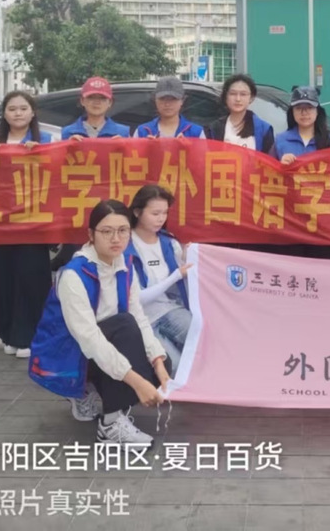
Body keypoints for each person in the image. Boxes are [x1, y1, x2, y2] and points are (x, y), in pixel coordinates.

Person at [29, 199, 169, 444]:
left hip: (105, 344)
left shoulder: (125, 265)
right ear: (91, 235)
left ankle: (88, 391)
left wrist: (158, 363)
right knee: (124, 329)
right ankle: (110, 424)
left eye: (123, 230)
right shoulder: (74, 275)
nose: (116, 238)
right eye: (106, 231)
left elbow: (139, 317)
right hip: (69, 353)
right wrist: (137, 382)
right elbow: (90, 339)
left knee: (159, 366)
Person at [0, 91, 54, 360]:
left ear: (33, 112)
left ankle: (29, 335)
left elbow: (59, 175)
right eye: (12, 109)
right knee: (2, 277)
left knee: (31, 278)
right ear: (4, 113)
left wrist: (43, 155)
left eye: (23, 108)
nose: (18, 113)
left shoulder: (47, 140)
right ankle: (8, 333)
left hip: (33, 222)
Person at [125, 185, 192, 374]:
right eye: (155, 213)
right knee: (174, 366)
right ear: (137, 212)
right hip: (142, 319)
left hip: (170, 309)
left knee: (201, 338)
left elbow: (184, 284)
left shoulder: (169, 242)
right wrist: (176, 275)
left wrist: (186, 258)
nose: (161, 218)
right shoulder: (125, 245)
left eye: (164, 213)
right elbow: (137, 297)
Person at [274, 86, 330, 259]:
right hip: (291, 219)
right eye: (299, 108)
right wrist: (280, 166)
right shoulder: (280, 140)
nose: (304, 113)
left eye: (309, 108)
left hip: (323, 219)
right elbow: (267, 178)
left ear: (317, 111)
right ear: (292, 112)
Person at [207, 73, 276, 155]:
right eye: (233, 94)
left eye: (243, 94)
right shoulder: (214, 128)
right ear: (226, 97)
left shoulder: (263, 129)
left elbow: (269, 160)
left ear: (251, 98)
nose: (238, 99)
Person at [62, 77, 130, 140]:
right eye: (91, 97)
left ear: (110, 102)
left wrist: (125, 146)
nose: (97, 102)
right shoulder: (67, 132)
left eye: (102, 98)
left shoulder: (123, 133)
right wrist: (68, 145)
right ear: (82, 101)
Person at [135, 77, 205, 138]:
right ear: (155, 100)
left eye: (173, 99)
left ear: (182, 101)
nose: (167, 104)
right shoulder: (142, 131)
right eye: (162, 99)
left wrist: (188, 147)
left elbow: (203, 150)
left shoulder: (196, 132)